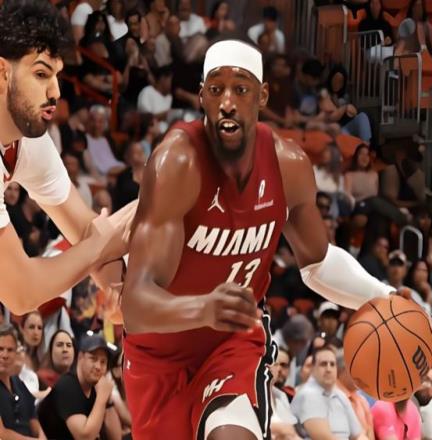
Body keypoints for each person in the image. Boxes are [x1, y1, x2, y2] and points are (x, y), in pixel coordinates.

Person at [121, 39, 403, 440]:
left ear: (263, 96)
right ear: (201, 97)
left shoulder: (288, 166)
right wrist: (203, 308)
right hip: (158, 354)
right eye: (216, 90)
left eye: (241, 89)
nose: (228, 102)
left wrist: (384, 295)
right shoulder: (177, 163)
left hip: (231, 345)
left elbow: (318, 263)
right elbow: (135, 304)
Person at [0, 0, 133, 317]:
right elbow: (21, 293)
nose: (55, 92)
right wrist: (101, 241)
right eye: (41, 74)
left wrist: (117, 292)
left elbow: (86, 230)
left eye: (57, 75)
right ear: (3, 72)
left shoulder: (29, 142)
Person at [37, 333, 120, 439]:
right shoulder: (67, 385)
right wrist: (102, 398)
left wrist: (108, 401)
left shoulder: (96, 387)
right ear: (80, 357)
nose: (98, 367)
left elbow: (116, 438)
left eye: (103, 362)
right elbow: (84, 437)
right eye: (93, 359)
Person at [291, 345, 363, 440]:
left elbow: (358, 435)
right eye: (323, 364)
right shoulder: (307, 394)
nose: (328, 369)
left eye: (332, 364)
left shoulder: (340, 395)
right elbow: (324, 438)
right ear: (313, 368)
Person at [0, 324, 46, 439]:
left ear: (16, 353)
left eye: (10, 350)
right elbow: (2, 433)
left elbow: (34, 421)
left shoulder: (18, 382)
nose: (5, 355)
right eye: (0, 349)